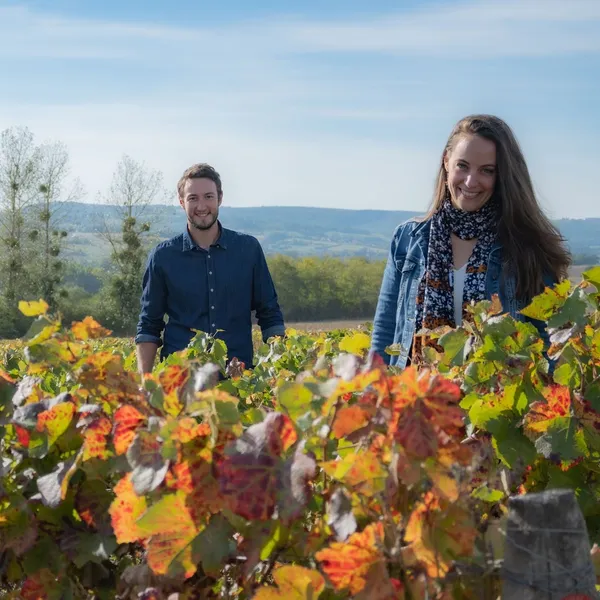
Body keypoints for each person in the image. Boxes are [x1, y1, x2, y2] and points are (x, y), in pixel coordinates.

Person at [370, 114, 571, 368]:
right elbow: (385, 331)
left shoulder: (527, 247)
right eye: (462, 166)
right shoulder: (408, 239)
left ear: (502, 177)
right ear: (446, 162)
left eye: (486, 170)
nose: (470, 182)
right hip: (420, 400)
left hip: (492, 402)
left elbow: (548, 343)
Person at [135, 163, 286, 374]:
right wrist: (145, 382)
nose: (201, 206)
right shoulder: (163, 257)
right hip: (179, 380)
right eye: (193, 198)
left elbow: (269, 313)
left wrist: (280, 369)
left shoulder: (248, 250)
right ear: (181, 202)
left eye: (208, 196)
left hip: (238, 380)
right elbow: (150, 324)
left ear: (220, 198)